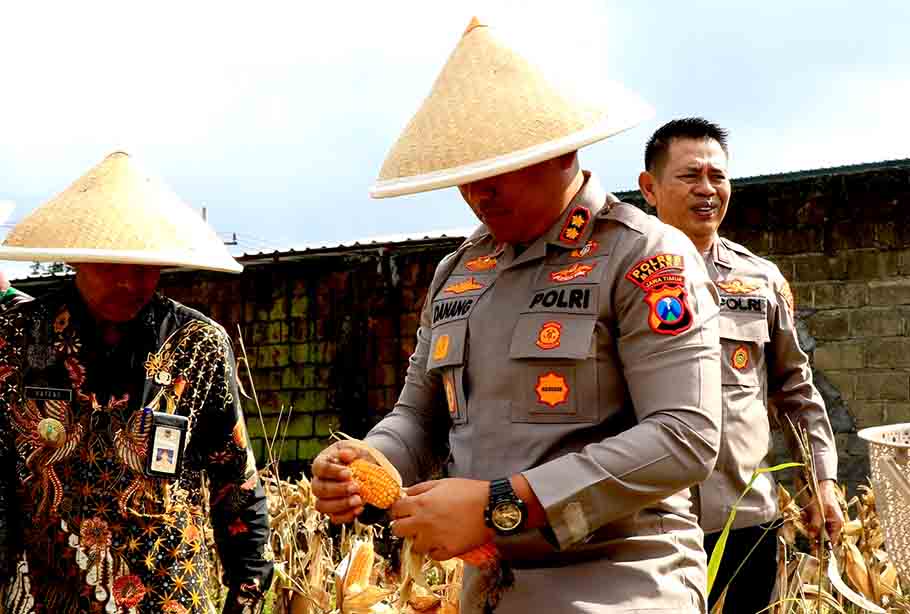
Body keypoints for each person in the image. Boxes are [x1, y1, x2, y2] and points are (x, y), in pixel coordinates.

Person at [312, 18, 722, 614]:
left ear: (563, 150)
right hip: (492, 592)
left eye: (501, 166)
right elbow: (419, 416)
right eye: (466, 171)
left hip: (621, 588)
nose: (480, 191)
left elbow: (684, 437)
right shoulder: (459, 274)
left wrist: (499, 504)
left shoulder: (644, 257)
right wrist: (369, 459)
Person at [0, 152, 271, 613]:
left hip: (173, 596)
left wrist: (246, 595)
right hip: (54, 597)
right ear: (75, 258)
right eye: (111, 265)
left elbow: (236, 483)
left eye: (144, 266)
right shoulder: (18, 339)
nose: (128, 281)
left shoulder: (197, 346)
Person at [637, 118, 843, 613]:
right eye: (690, 176)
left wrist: (821, 482)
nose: (707, 189)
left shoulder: (760, 280)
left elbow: (794, 390)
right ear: (650, 188)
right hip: (646, 528)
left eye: (718, 176)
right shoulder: (618, 276)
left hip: (747, 521)